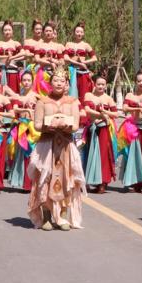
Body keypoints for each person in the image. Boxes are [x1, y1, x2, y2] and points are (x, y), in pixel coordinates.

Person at [27, 67, 84, 230]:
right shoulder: (42, 101)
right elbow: (37, 125)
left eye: (62, 81)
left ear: (67, 84)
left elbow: (75, 126)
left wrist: (66, 125)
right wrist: (48, 125)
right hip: (47, 145)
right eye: (55, 80)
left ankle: (63, 216)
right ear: (50, 83)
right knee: (45, 179)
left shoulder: (73, 102)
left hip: (66, 145)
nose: (58, 83)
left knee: (68, 179)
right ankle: (46, 216)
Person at [81, 74, 118, 193]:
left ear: (106, 86)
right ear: (94, 84)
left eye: (103, 84)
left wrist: (105, 112)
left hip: (103, 129)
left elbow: (115, 114)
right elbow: (86, 109)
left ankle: (102, 182)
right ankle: (86, 181)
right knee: (87, 154)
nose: (101, 86)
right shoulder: (88, 95)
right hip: (91, 128)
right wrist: (101, 114)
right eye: (98, 84)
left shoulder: (108, 98)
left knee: (103, 156)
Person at [64, 23, 98, 99]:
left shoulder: (86, 45)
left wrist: (84, 62)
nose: (79, 34)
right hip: (71, 70)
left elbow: (95, 58)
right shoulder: (68, 44)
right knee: (69, 92)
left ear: (83, 33)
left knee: (83, 93)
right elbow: (65, 58)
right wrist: (77, 63)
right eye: (77, 32)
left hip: (82, 72)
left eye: (81, 32)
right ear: (74, 33)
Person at [0, 21, 23, 94]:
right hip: (0, 72)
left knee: (13, 95)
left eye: (9, 30)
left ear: (12, 31)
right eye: (5, 30)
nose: (7, 32)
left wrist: (12, 58)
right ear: (2, 32)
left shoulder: (16, 43)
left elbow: (23, 53)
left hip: (13, 72)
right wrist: (7, 56)